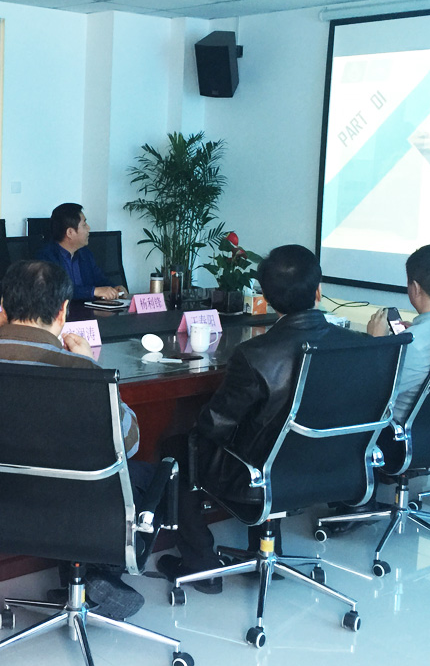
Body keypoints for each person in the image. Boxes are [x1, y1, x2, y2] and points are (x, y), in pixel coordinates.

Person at [156, 244, 367, 591]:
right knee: (272, 441)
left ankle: (201, 565)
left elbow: (214, 426)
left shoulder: (255, 354)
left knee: (177, 448)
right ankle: (267, 551)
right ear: (318, 291)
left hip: (265, 475)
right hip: (335, 467)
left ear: (265, 298)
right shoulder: (355, 344)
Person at [0, 259, 150, 619]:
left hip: (6, 500)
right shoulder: (80, 369)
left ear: (3, 307)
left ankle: (91, 575)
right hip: (80, 502)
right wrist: (93, 367)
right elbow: (129, 443)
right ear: (62, 311)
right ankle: (98, 571)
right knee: (138, 475)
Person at [366, 243, 430, 422]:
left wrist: (377, 344)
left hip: (398, 434)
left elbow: (366, 392)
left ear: (415, 288)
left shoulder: (411, 345)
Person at [34, 202, 126, 301]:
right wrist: (93, 291)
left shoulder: (85, 253)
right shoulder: (46, 257)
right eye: (84, 225)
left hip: (87, 308)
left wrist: (114, 288)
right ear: (70, 232)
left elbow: (99, 279)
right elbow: (56, 290)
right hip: (62, 309)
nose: (89, 228)